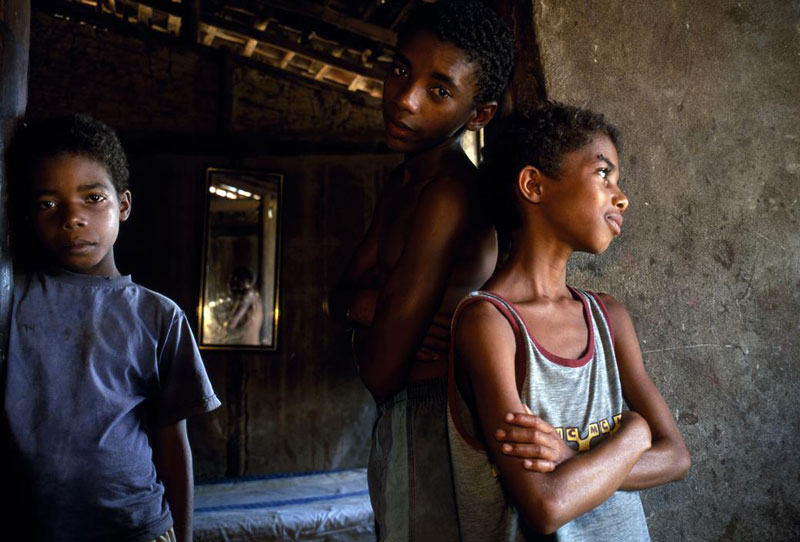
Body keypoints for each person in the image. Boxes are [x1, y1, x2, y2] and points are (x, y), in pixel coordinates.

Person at [447, 103, 691, 540]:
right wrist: (634, 435)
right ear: (533, 185)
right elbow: (547, 504)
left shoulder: (608, 317)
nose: (622, 196)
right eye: (603, 174)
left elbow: (676, 457)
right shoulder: (489, 323)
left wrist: (573, 461)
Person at [325, 1, 514, 539]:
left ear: (478, 115)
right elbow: (334, 297)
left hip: (439, 419)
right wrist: (369, 305)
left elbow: (378, 370)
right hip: (406, 417)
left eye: (438, 90)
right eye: (401, 70)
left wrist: (366, 306)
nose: (404, 100)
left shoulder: (449, 195)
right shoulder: (403, 183)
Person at [1, 114, 221, 542]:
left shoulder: (159, 317)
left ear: (123, 205)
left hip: (136, 528)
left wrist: (185, 535)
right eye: (49, 203)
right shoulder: (11, 300)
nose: (72, 218)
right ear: (27, 216)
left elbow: (173, 445)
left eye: (93, 198)